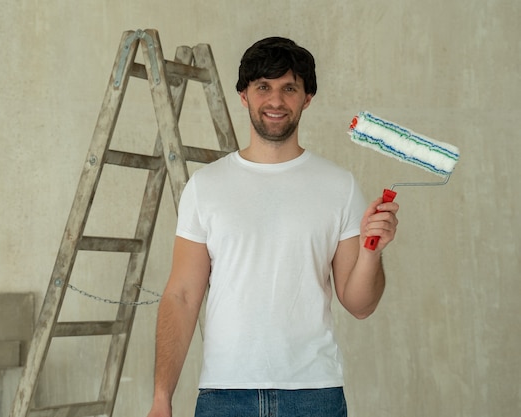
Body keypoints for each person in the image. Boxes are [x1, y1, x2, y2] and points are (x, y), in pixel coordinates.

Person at [146, 36, 399, 417]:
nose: (276, 101)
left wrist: (370, 252)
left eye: (289, 88)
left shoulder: (339, 186)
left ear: (307, 98)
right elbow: (181, 296)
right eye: (263, 87)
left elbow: (360, 305)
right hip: (225, 396)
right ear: (244, 95)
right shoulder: (206, 186)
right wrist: (161, 398)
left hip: (314, 395)